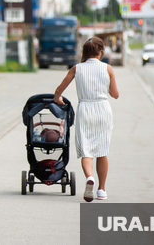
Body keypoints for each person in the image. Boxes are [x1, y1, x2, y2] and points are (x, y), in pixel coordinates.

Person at [53, 37, 119, 202]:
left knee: (86, 150)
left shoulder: (77, 68)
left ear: (85, 52)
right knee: (102, 151)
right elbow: (115, 94)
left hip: (85, 109)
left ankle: (89, 177)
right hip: (103, 110)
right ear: (100, 51)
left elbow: (59, 90)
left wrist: (57, 98)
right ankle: (102, 190)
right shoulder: (108, 68)